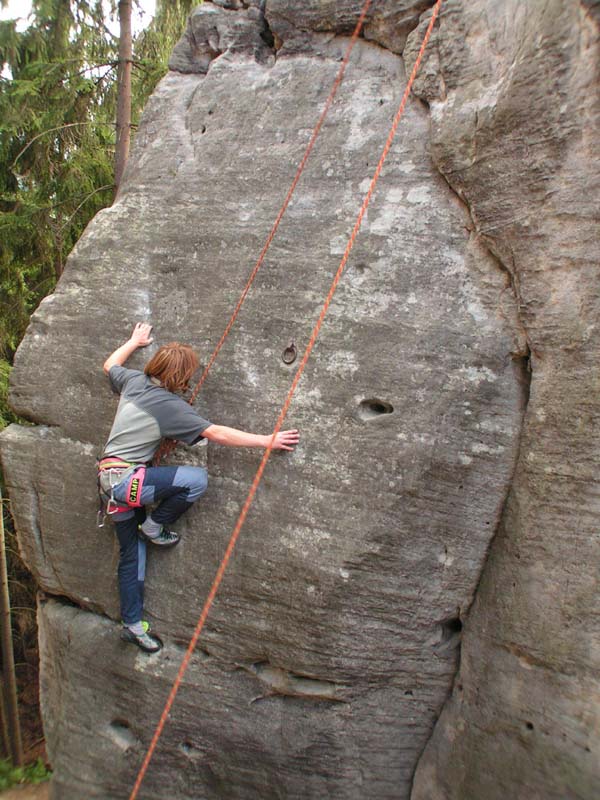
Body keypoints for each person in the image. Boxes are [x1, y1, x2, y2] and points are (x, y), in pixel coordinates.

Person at [99, 322, 299, 653]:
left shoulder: (133, 381)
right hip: (127, 483)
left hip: (111, 484)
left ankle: (132, 625)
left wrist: (134, 342)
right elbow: (216, 432)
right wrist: (267, 440)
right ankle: (154, 524)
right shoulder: (169, 406)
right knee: (196, 480)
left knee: (131, 556)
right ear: (179, 377)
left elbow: (110, 366)